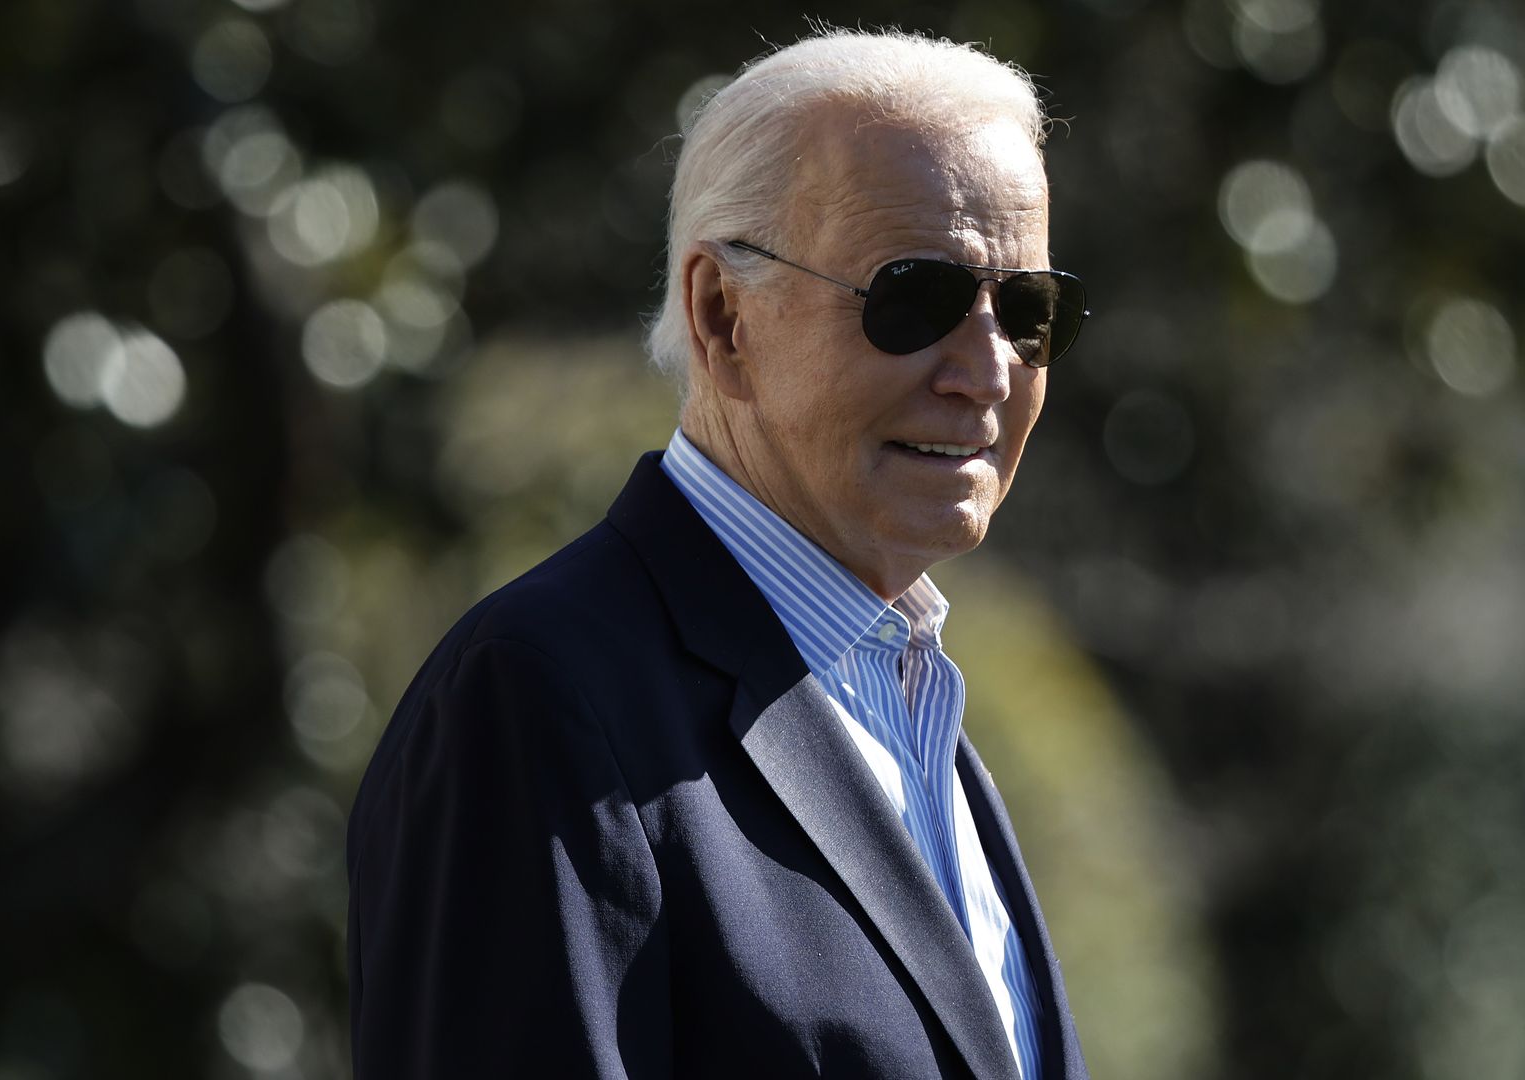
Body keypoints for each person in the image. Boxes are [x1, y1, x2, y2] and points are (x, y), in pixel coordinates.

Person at [347, 27, 1092, 1080]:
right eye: (914, 298)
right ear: (721, 317)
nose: (986, 370)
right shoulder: (539, 698)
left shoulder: (913, 716)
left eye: (1027, 311)